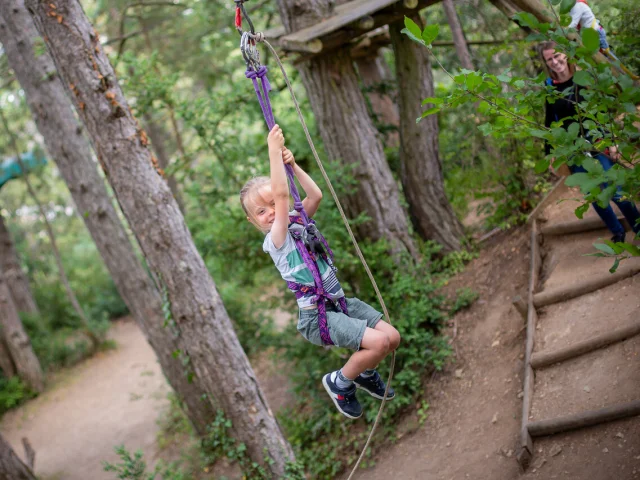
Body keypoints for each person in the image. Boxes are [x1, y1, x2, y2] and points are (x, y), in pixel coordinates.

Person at [240, 124, 400, 419]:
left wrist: (293, 165)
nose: (272, 211)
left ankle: (363, 374)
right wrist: (273, 152)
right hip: (318, 316)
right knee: (378, 342)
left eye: (272, 204)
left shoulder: (296, 223)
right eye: (261, 211)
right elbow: (283, 195)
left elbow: (315, 196)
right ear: (255, 222)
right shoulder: (277, 240)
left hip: (339, 304)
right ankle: (339, 383)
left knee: (392, 337)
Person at [539, 41, 640, 243]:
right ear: (546, 62)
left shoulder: (583, 78)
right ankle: (617, 232)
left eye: (557, 56)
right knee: (593, 194)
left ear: (565, 54)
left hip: (597, 141)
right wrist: (550, 153)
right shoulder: (549, 87)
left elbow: (601, 110)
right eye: (549, 59)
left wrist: (611, 141)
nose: (555, 62)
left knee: (617, 191)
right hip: (574, 149)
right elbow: (550, 122)